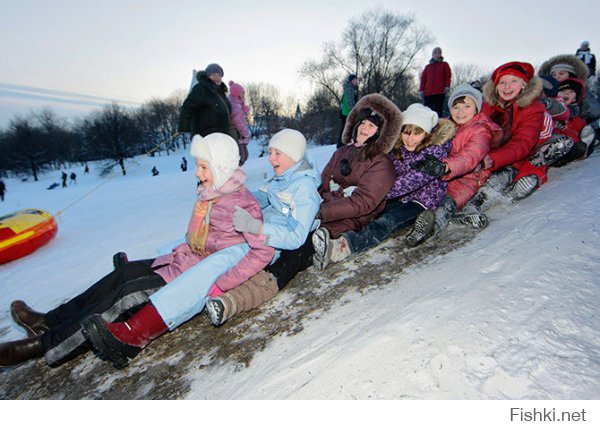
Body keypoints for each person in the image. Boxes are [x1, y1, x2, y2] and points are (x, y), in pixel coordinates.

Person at [0, 133, 274, 369]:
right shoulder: (211, 194)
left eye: (203, 167)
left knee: (125, 294)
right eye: (198, 166)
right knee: (122, 274)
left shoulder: (241, 205)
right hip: (178, 260)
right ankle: (49, 321)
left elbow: (261, 252)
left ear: (223, 168)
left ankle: (44, 345)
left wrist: (222, 283)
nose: (197, 173)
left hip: (188, 278)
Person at [206, 94, 402, 325]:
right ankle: (212, 271)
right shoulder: (342, 152)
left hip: (349, 219)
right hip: (322, 209)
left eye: (372, 125)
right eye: (362, 123)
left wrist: (320, 213)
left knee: (297, 251)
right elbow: (322, 183)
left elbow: (363, 203)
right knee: (272, 236)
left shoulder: (381, 163)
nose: (364, 128)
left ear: (380, 132)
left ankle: (237, 299)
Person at [313, 103, 454, 268]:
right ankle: (333, 235)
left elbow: (410, 182)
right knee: (371, 214)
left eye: (417, 133)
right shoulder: (399, 149)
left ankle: (344, 247)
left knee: (387, 222)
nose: (410, 138)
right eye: (406, 132)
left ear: (427, 133)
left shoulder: (433, 154)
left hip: (422, 200)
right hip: (400, 198)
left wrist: (372, 191)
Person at [404, 84, 501, 246]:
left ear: (476, 108)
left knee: (446, 202)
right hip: (441, 175)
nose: (460, 112)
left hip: (467, 178)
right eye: (456, 107)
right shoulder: (444, 127)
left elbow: (469, 157)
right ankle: (421, 216)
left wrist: (445, 167)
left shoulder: (481, 131)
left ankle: (432, 227)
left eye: (467, 106)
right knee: (420, 196)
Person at [178, 63, 238, 140]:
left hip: (222, 133)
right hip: (206, 134)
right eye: (213, 74)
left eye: (219, 75)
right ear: (207, 76)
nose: (217, 77)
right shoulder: (201, 89)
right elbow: (187, 107)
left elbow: (226, 113)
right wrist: (183, 126)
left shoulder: (220, 92)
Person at [419, 47, 452, 117]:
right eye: (435, 53)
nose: (436, 55)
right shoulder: (428, 67)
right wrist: (421, 90)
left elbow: (448, 76)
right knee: (428, 110)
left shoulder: (444, 65)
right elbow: (423, 79)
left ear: (440, 54)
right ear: (432, 55)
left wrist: (447, 87)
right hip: (428, 92)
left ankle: (438, 124)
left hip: (440, 91)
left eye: (438, 53)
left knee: (438, 110)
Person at [228, 80, 251, 165]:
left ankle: (235, 171)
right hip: (238, 134)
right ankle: (233, 173)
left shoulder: (239, 104)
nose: (243, 95)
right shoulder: (235, 105)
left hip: (241, 134)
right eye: (242, 93)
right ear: (236, 93)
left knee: (244, 156)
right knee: (242, 156)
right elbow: (237, 121)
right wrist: (244, 132)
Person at [338, 74, 359, 148]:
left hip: (345, 112)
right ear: (351, 81)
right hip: (347, 113)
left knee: (345, 128)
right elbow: (350, 102)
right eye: (354, 80)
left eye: (356, 80)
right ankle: (341, 145)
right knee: (346, 129)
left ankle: (342, 144)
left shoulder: (349, 88)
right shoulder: (350, 89)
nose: (355, 81)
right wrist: (354, 112)